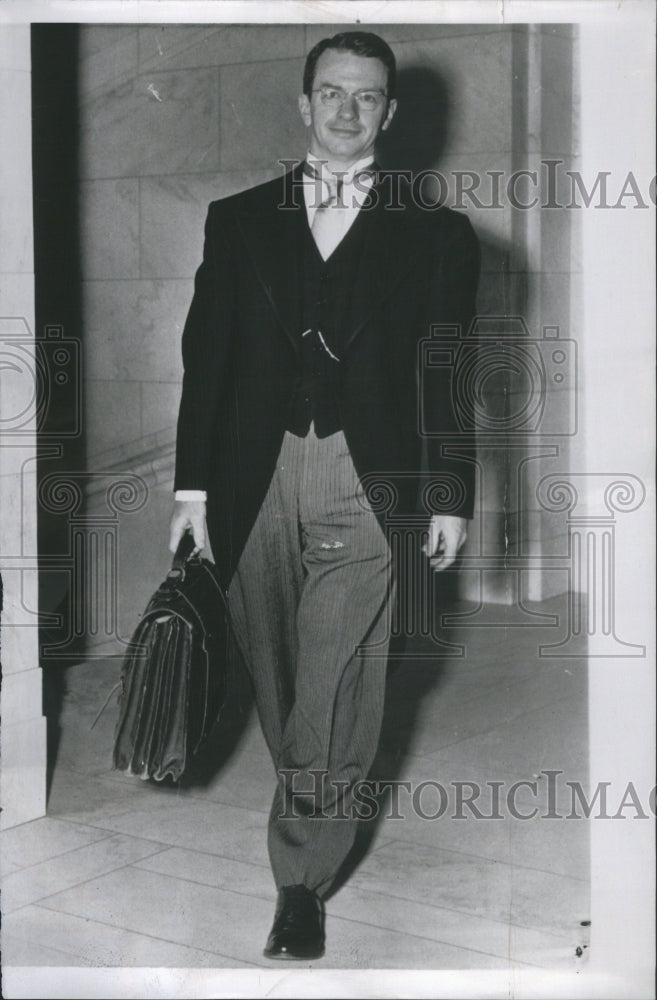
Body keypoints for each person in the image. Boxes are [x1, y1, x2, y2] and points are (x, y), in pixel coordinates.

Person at [169, 30, 480, 961]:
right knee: (276, 672)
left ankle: (299, 880)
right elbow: (205, 362)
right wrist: (190, 490)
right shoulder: (237, 218)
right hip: (248, 477)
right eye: (331, 93)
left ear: (390, 112)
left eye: (367, 97)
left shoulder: (438, 231)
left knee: (335, 681)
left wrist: (450, 493)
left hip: (368, 480)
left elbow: (449, 373)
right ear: (304, 105)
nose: (347, 111)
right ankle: (309, 803)